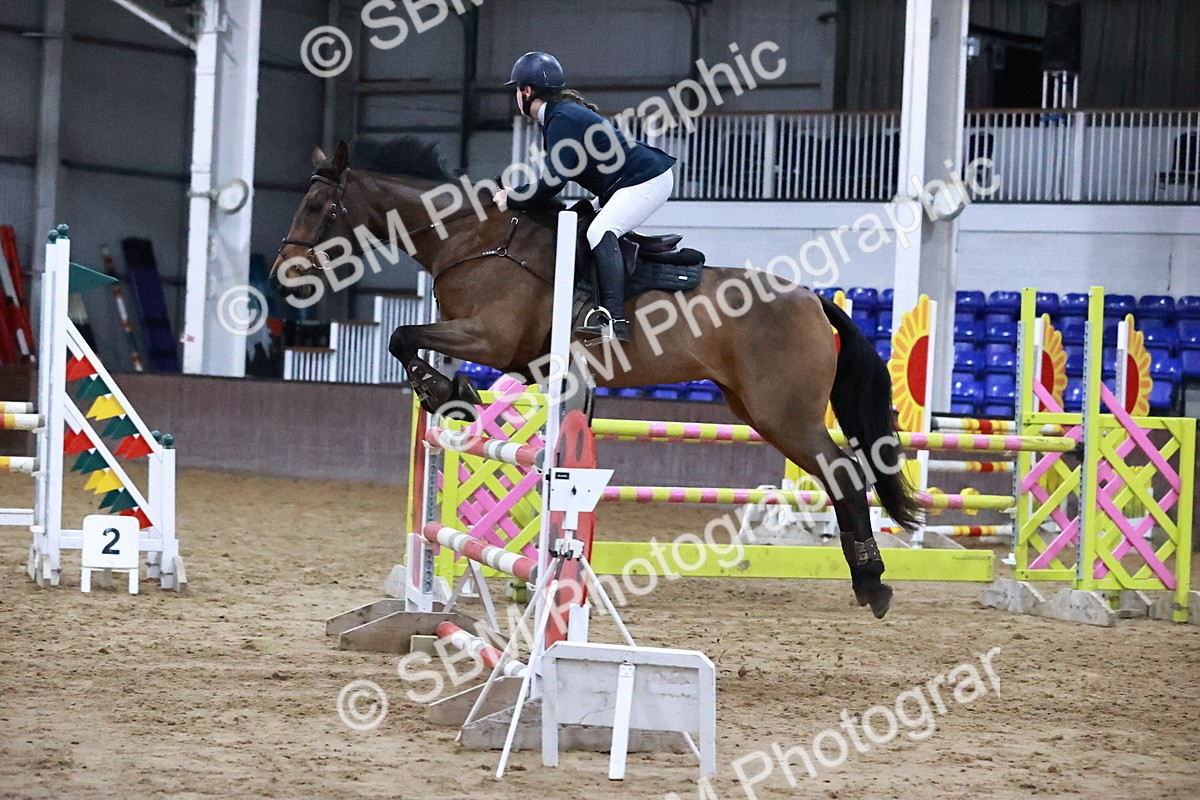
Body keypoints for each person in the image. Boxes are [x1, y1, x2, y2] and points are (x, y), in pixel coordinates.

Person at [493, 52, 676, 342]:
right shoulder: (559, 115)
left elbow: (552, 183)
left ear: (526, 91)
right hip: (627, 182)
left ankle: (615, 320)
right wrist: (521, 192)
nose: (516, 95)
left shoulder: (561, 119)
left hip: (646, 179)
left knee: (600, 230)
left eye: (517, 89)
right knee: (582, 221)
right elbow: (551, 179)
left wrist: (512, 199)